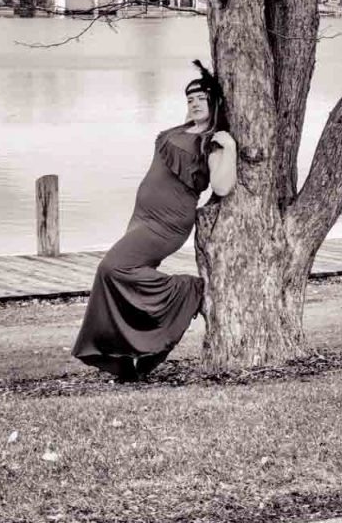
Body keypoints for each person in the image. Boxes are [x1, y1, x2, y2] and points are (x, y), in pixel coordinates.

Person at [71, 61, 237, 383]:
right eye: (189, 97)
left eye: (201, 96)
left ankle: (188, 291)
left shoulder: (214, 141)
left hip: (168, 223)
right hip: (142, 218)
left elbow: (221, 187)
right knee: (113, 278)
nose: (193, 102)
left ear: (215, 101)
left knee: (111, 268)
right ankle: (123, 357)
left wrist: (229, 147)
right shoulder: (178, 131)